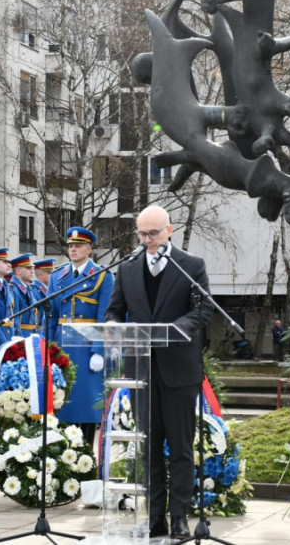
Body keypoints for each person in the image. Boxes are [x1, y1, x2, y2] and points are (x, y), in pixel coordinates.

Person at [105, 206, 213, 539]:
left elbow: (204, 309)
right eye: (142, 234)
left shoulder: (191, 266)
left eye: (153, 233)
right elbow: (115, 310)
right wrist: (110, 327)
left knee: (180, 447)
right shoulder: (127, 269)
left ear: (170, 230)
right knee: (149, 446)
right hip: (142, 370)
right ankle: (155, 517)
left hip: (179, 371)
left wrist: (178, 327)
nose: (147, 240)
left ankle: (179, 516)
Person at [48, 227, 115, 445]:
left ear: (89, 249)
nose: (73, 249)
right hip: (62, 347)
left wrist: (99, 350)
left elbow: (103, 317)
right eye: (70, 246)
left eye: (78, 245)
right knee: (62, 403)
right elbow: (51, 316)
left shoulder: (102, 276)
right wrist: (47, 349)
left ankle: (85, 453)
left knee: (86, 404)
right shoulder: (58, 276)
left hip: (86, 348)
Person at [9, 253, 38, 337]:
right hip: (20, 335)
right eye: (28, 268)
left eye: (32, 268)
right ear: (18, 271)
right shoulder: (13, 289)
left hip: (31, 334)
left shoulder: (29, 289)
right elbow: (15, 318)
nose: (32, 271)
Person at [31, 258, 55, 331]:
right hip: (40, 331)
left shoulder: (49, 290)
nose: (53, 276)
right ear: (41, 275)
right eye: (50, 273)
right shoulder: (34, 290)